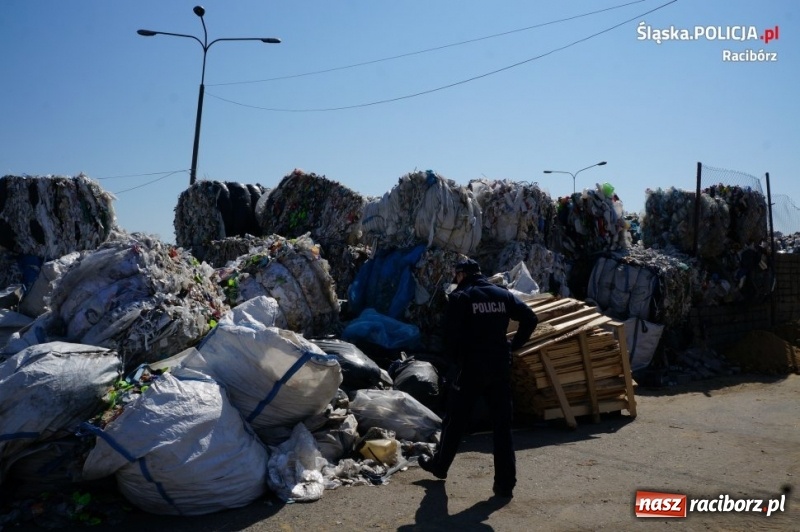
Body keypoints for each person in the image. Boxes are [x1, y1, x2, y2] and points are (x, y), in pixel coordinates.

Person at [419, 258, 538, 499]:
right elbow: (530, 319)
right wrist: (513, 346)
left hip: (470, 369)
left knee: (455, 421)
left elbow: (449, 339)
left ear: (461, 275)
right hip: (499, 368)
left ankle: (440, 466)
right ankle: (505, 485)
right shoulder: (502, 295)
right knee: (502, 427)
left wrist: (453, 365)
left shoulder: (461, 298)